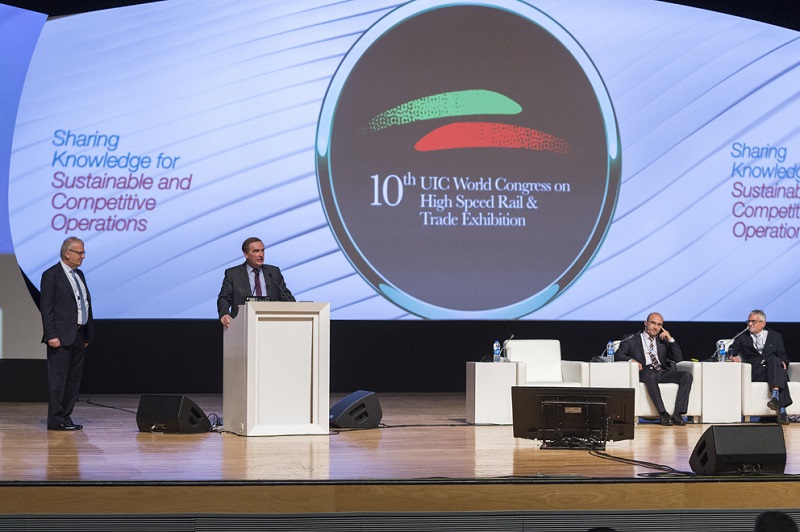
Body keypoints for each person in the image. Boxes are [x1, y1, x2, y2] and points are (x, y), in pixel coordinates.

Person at [40, 236, 94, 431]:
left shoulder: (79, 275)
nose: (83, 256)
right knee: (59, 380)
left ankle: (65, 416)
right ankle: (56, 419)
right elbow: (46, 308)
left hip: (78, 335)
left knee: (73, 380)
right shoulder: (51, 275)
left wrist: (86, 334)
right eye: (79, 252)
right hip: (60, 337)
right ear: (67, 253)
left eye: (83, 252)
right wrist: (51, 334)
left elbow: (84, 305)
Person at [613, 312, 693, 426]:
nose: (656, 327)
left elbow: (678, 358)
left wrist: (670, 339)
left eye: (659, 325)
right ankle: (663, 413)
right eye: (653, 323)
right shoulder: (631, 338)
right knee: (651, 375)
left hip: (662, 372)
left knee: (686, 376)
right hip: (644, 371)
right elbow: (618, 355)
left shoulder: (662, 340)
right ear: (646, 323)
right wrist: (631, 360)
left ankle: (678, 413)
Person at [730, 310, 792, 425]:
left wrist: (783, 362)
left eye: (753, 321)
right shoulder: (742, 337)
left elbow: (782, 355)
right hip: (757, 372)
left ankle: (775, 396)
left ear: (763, 323)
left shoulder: (775, 336)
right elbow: (732, 349)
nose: (750, 324)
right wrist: (732, 356)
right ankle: (782, 410)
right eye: (748, 321)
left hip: (773, 369)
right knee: (780, 374)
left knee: (775, 361)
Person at [217, 237, 295, 328]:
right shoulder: (233, 274)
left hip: (272, 324)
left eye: (262, 251)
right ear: (246, 254)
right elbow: (224, 298)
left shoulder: (273, 272)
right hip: (243, 325)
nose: (261, 255)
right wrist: (224, 314)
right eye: (256, 251)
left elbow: (286, 297)